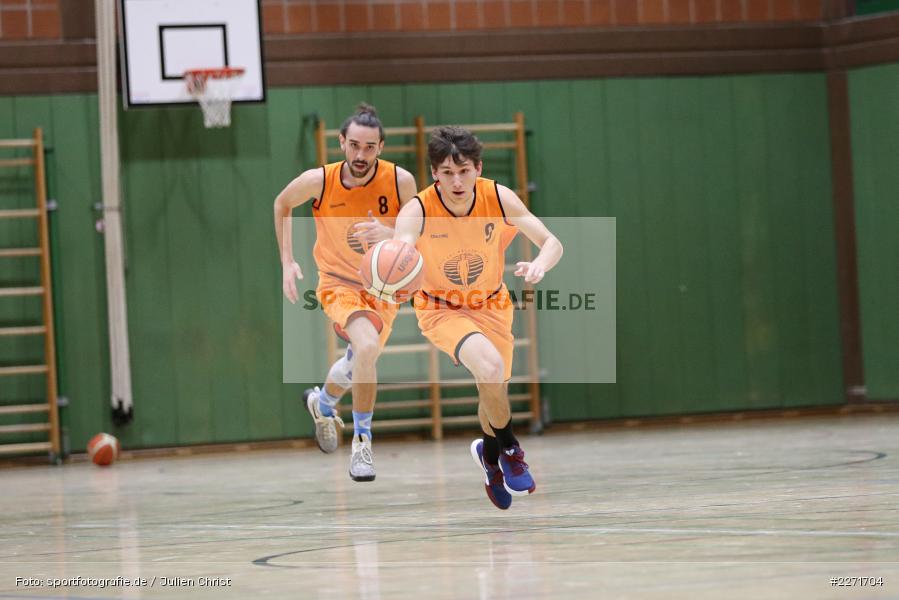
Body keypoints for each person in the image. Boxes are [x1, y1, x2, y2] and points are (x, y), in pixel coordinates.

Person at [394, 126, 563, 509]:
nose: (456, 180)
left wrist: (539, 265)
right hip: (441, 307)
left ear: (478, 168)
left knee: (494, 390)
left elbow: (552, 242)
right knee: (488, 369)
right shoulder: (418, 209)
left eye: (464, 171)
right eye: (447, 172)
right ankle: (511, 449)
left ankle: (488, 457)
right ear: (434, 173)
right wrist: (392, 262)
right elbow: (401, 249)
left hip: (492, 305)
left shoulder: (498, 196)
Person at [274, 104, 418, 481]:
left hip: (383, 287)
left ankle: (322, 404)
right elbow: (282, 203)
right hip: (339, 282)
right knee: (367, 350)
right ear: (341, 143)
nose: (360, 155)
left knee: (358, 363)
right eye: (353, 145)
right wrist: (286, 261)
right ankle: (362, 443)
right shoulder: (320, 180)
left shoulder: (401, 181)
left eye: (369, 148)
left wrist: (390, 235)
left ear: (381, 147)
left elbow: (418, 232)